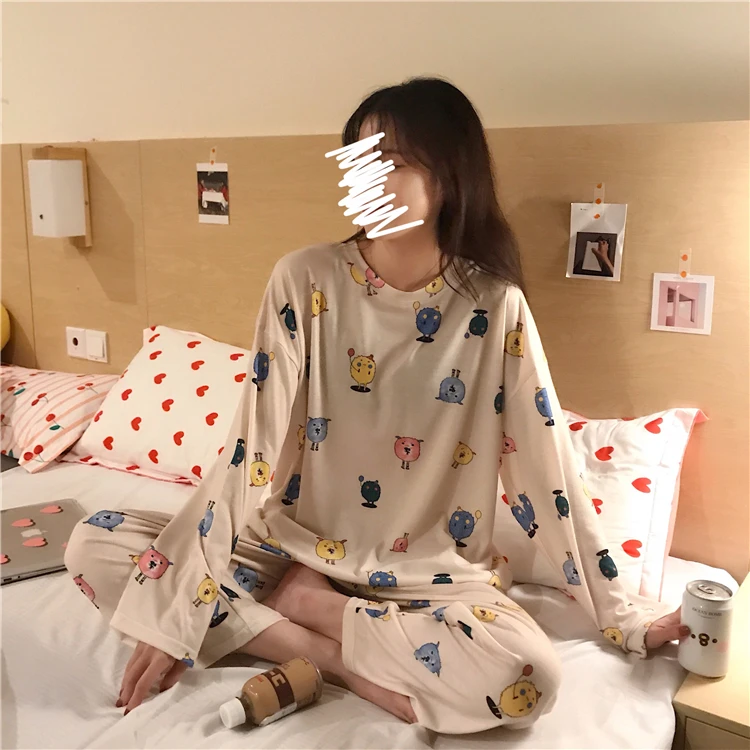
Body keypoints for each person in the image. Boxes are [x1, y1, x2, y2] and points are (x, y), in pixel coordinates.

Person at [64, 77, 688, 735]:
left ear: (449, 176)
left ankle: (313, 610)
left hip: (429, 578)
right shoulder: (304, 279)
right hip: (287, 549)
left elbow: (547, 468)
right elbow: (250, 450)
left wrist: (624, 616)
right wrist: (176, 603)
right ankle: (329, 657)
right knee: (94, 543)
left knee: (527, 677)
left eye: (390, 161)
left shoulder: (494, 307)